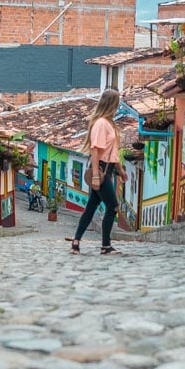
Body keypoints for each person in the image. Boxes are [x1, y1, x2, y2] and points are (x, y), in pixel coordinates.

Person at [70, 88, 128, 255]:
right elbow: (95, 150)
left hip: (108, 169)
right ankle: (105, 245)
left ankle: (76, 242)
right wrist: (96, 176)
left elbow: (113, 153)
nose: (118, 107)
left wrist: (121, 170)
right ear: (111, 104)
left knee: (91, 207)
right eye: (116, 104)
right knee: (113, 206)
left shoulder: (110, 123)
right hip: (101, 170)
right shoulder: (101, 124)